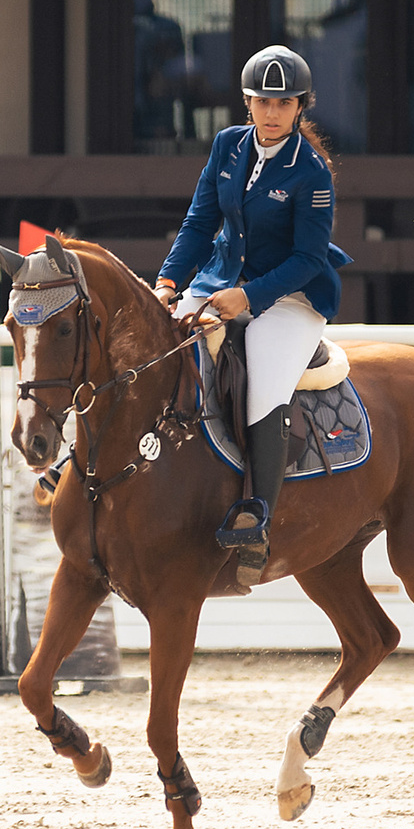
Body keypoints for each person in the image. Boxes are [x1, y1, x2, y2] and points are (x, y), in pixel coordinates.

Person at [155, 45, 353, 572]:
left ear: (300, 108)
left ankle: (256, 514)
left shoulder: (312, 172)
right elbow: (199, 224)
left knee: (264, 378)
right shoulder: (226, 147)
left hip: (289, 295)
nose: (272, 112)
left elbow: (309, 259)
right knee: (153, 343)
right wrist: (168, 283)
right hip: (220, 279)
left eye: (283, 103)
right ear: (247, 102)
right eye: (263, 101)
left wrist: (249, 297)